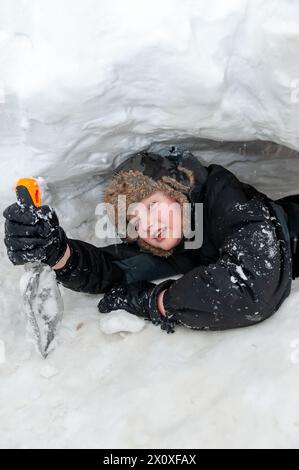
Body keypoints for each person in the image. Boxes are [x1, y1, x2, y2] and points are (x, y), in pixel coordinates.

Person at [3, 149, 299, 333]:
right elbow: (112, 268)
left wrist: (156, 302)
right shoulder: (181, 236)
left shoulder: (225, 198)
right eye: (134, 222)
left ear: (175, 190)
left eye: (152, 205)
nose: (149, 226)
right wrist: (58, 252)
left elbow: (251, 288)